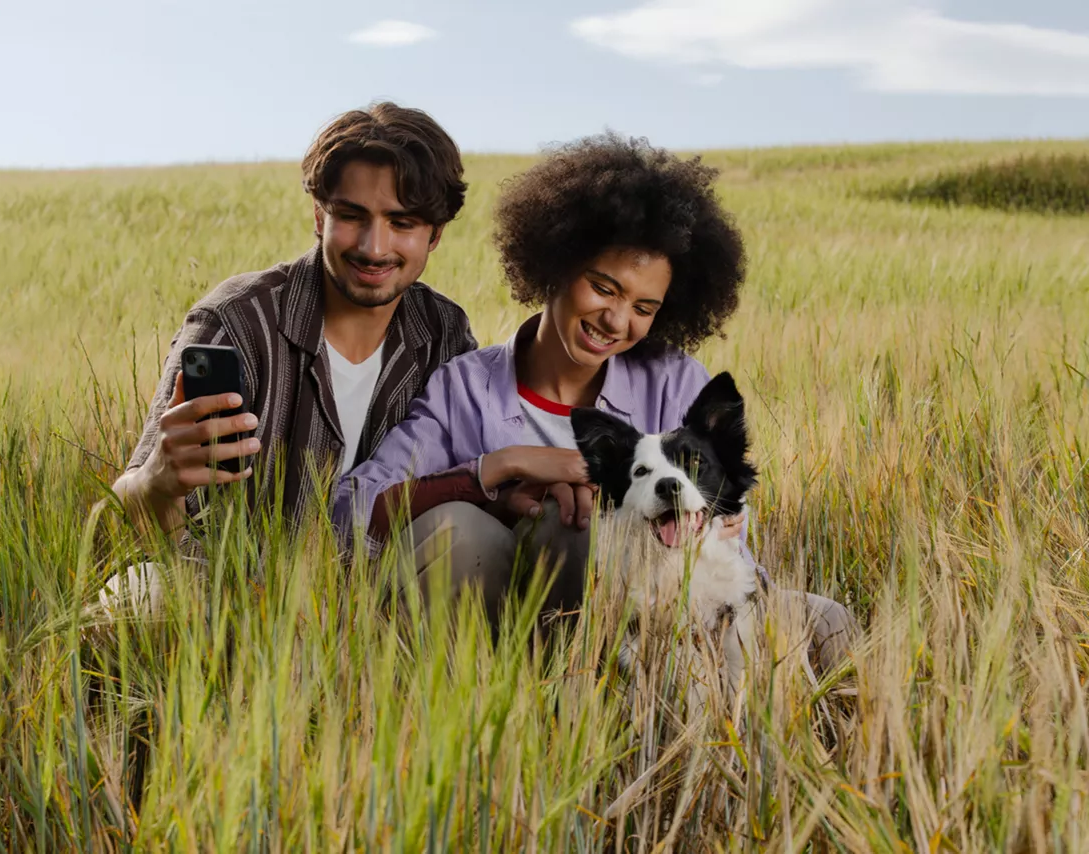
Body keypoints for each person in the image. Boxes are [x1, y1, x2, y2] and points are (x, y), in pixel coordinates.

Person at [333, 134, 854, 669]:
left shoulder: (674, 384)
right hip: (504, 621)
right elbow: (351, 508)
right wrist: (499, 469)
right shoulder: (465, 388)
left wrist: (717, 521)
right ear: (557, 264)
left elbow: (731, 536)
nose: (617, 320)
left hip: (668, 619)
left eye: (644, 307)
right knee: (528, 524)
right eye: (604, 288)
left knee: (828, 622)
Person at [110, 102, 477, 548]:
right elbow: (115, 522)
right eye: (352, 216)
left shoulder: (445, 333)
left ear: (434, 235)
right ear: (320, 217)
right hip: (229, 599)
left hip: (387, 601)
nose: (374, 247)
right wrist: (154, 481)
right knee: (143, 589)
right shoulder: (235, 320)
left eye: (401, 223)